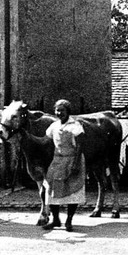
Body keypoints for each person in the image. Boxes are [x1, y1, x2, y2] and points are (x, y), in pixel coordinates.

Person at [42, 99, 85, 232]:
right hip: (57, 161)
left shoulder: (75, 126)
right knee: (51, 191)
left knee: (72, 191)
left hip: (72, 160)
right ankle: (56, 220)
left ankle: (69, 221)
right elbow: (45, 140)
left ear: (68, 112)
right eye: (57, 110)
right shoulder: (54, 126)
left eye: (62, 110)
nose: (59, 113)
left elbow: (80, 145)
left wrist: (76, 163)